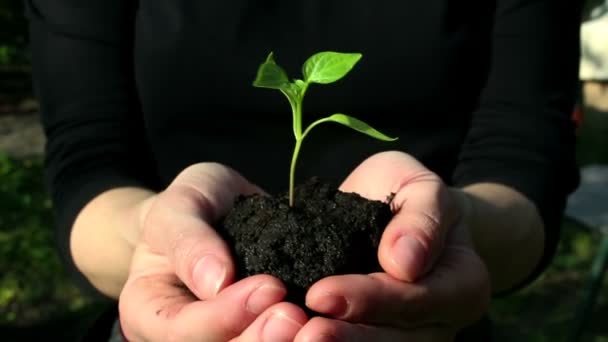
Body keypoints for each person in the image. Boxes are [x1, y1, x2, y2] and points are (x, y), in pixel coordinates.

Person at [25, 1, 582, 341]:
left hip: (426, 328)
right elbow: (89, 162)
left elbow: (524, 157)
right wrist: (154, 233)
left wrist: (455, 225)